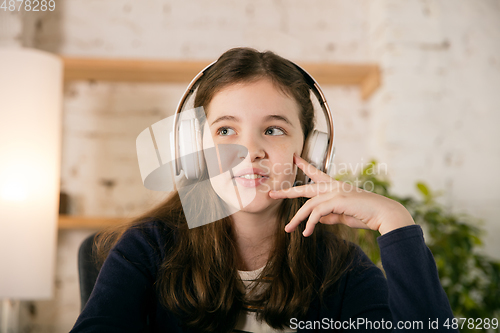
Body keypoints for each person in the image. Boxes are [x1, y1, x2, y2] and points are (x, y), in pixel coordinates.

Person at [70, 47, 458, 333]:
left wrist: (395, 221)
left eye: (273, 130)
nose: (250, 151)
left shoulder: (339, 270)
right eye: (225, 130)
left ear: (311, 151)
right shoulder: (148, 250)